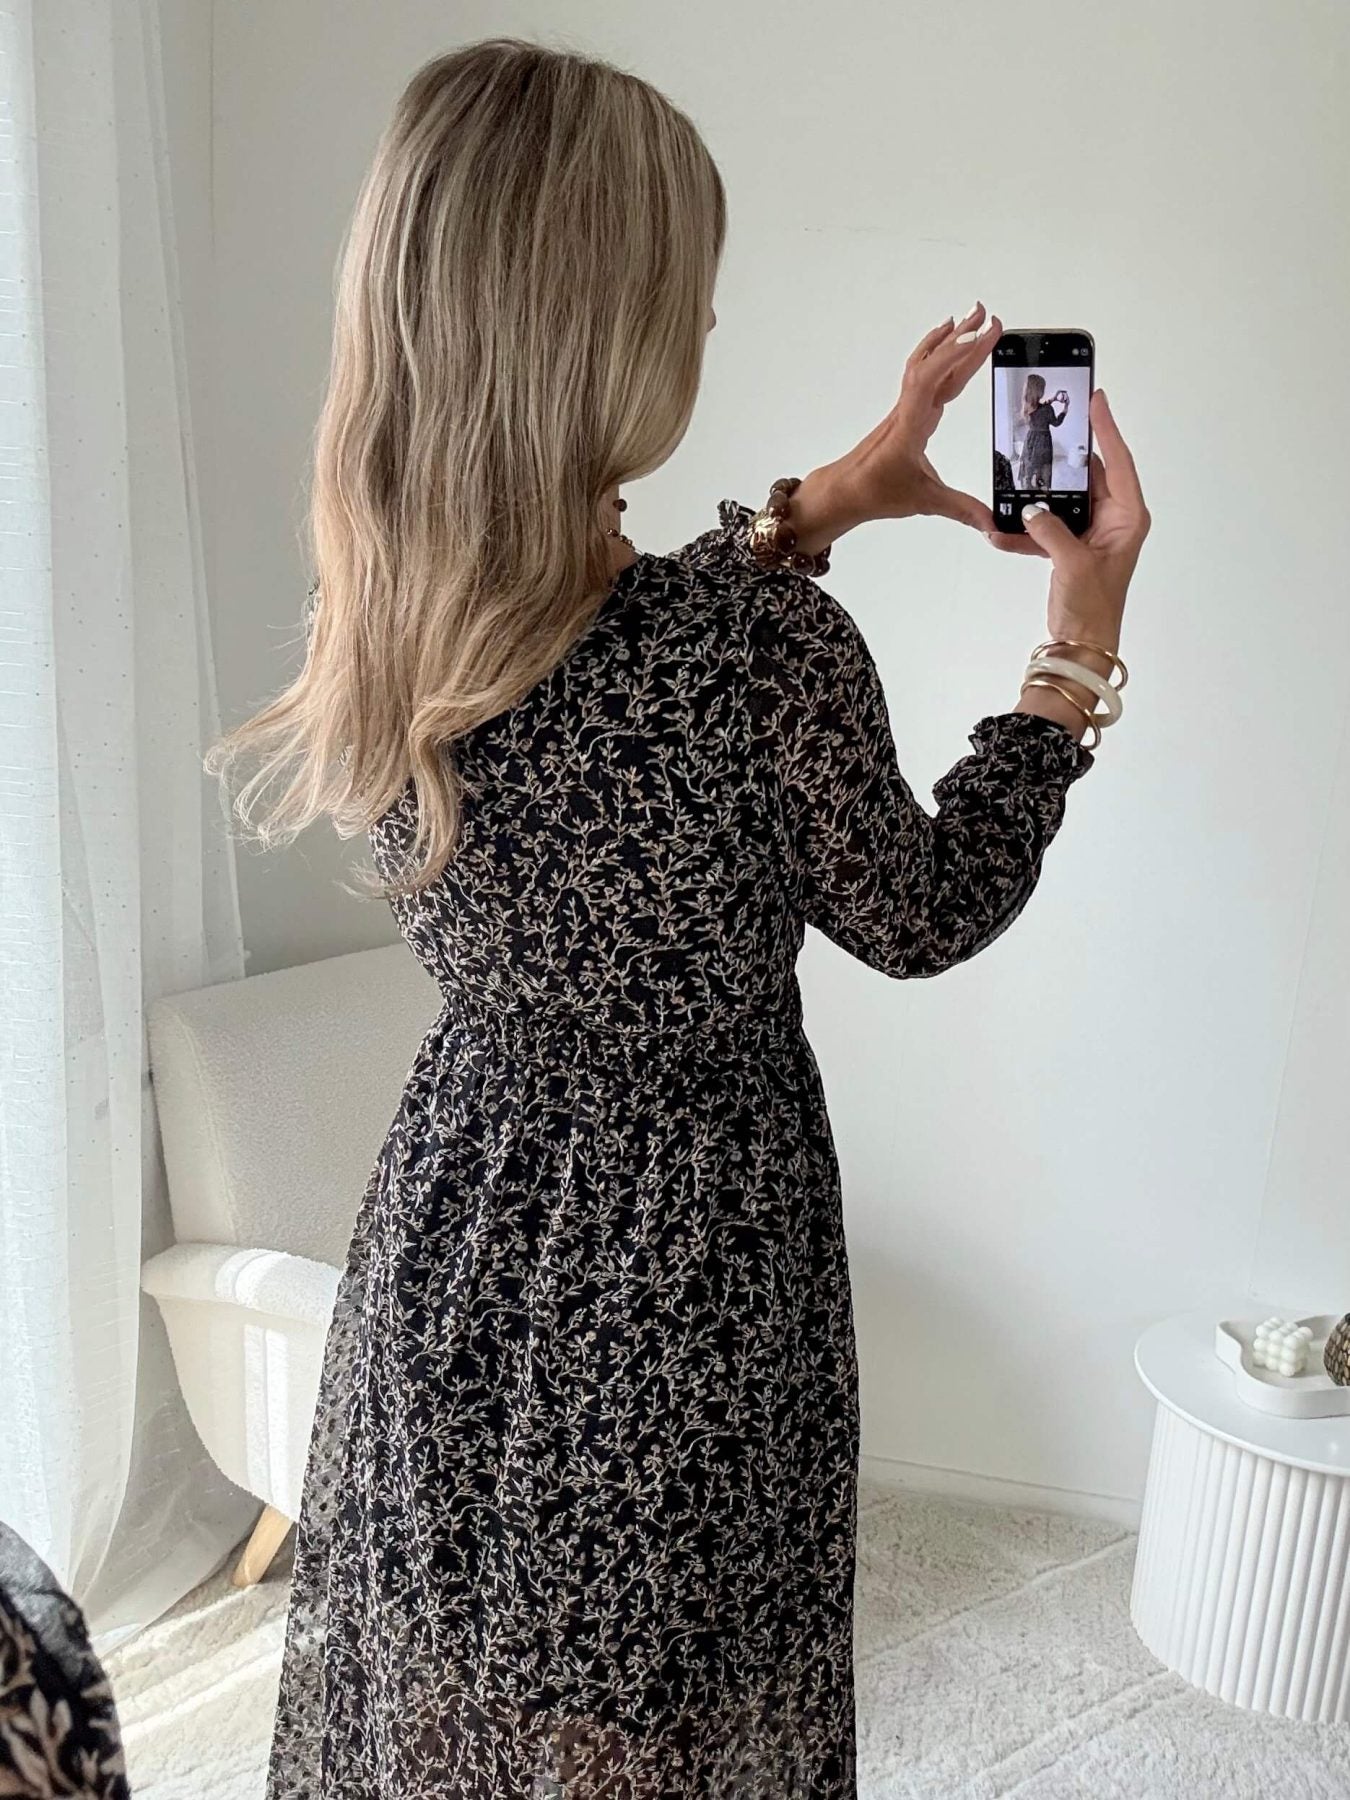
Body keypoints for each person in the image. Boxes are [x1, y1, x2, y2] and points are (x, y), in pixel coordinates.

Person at [209, 37, 1149, 1800]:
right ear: (606, 332)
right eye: (685, 290)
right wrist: (1075, 649)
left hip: (459, 1230)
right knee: (642, 1723)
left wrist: (822, 501)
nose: (707, 322)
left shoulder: (384, 615)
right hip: (692, 1270)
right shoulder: (758, 656)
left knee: (458, 1693)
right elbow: (922, 911)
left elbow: (608, 657)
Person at [1017, 372, 1071, 491]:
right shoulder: (1047, 409)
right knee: (1043, 468)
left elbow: (1040, 408)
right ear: (1039, 391)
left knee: (1030, 464)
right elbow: (1056, 422)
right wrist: (1065, 409)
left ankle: (1028, 486)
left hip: (1030, 440)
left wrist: (1053, 399)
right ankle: (1041, 487)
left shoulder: (1027, 406)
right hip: (1043, 442)